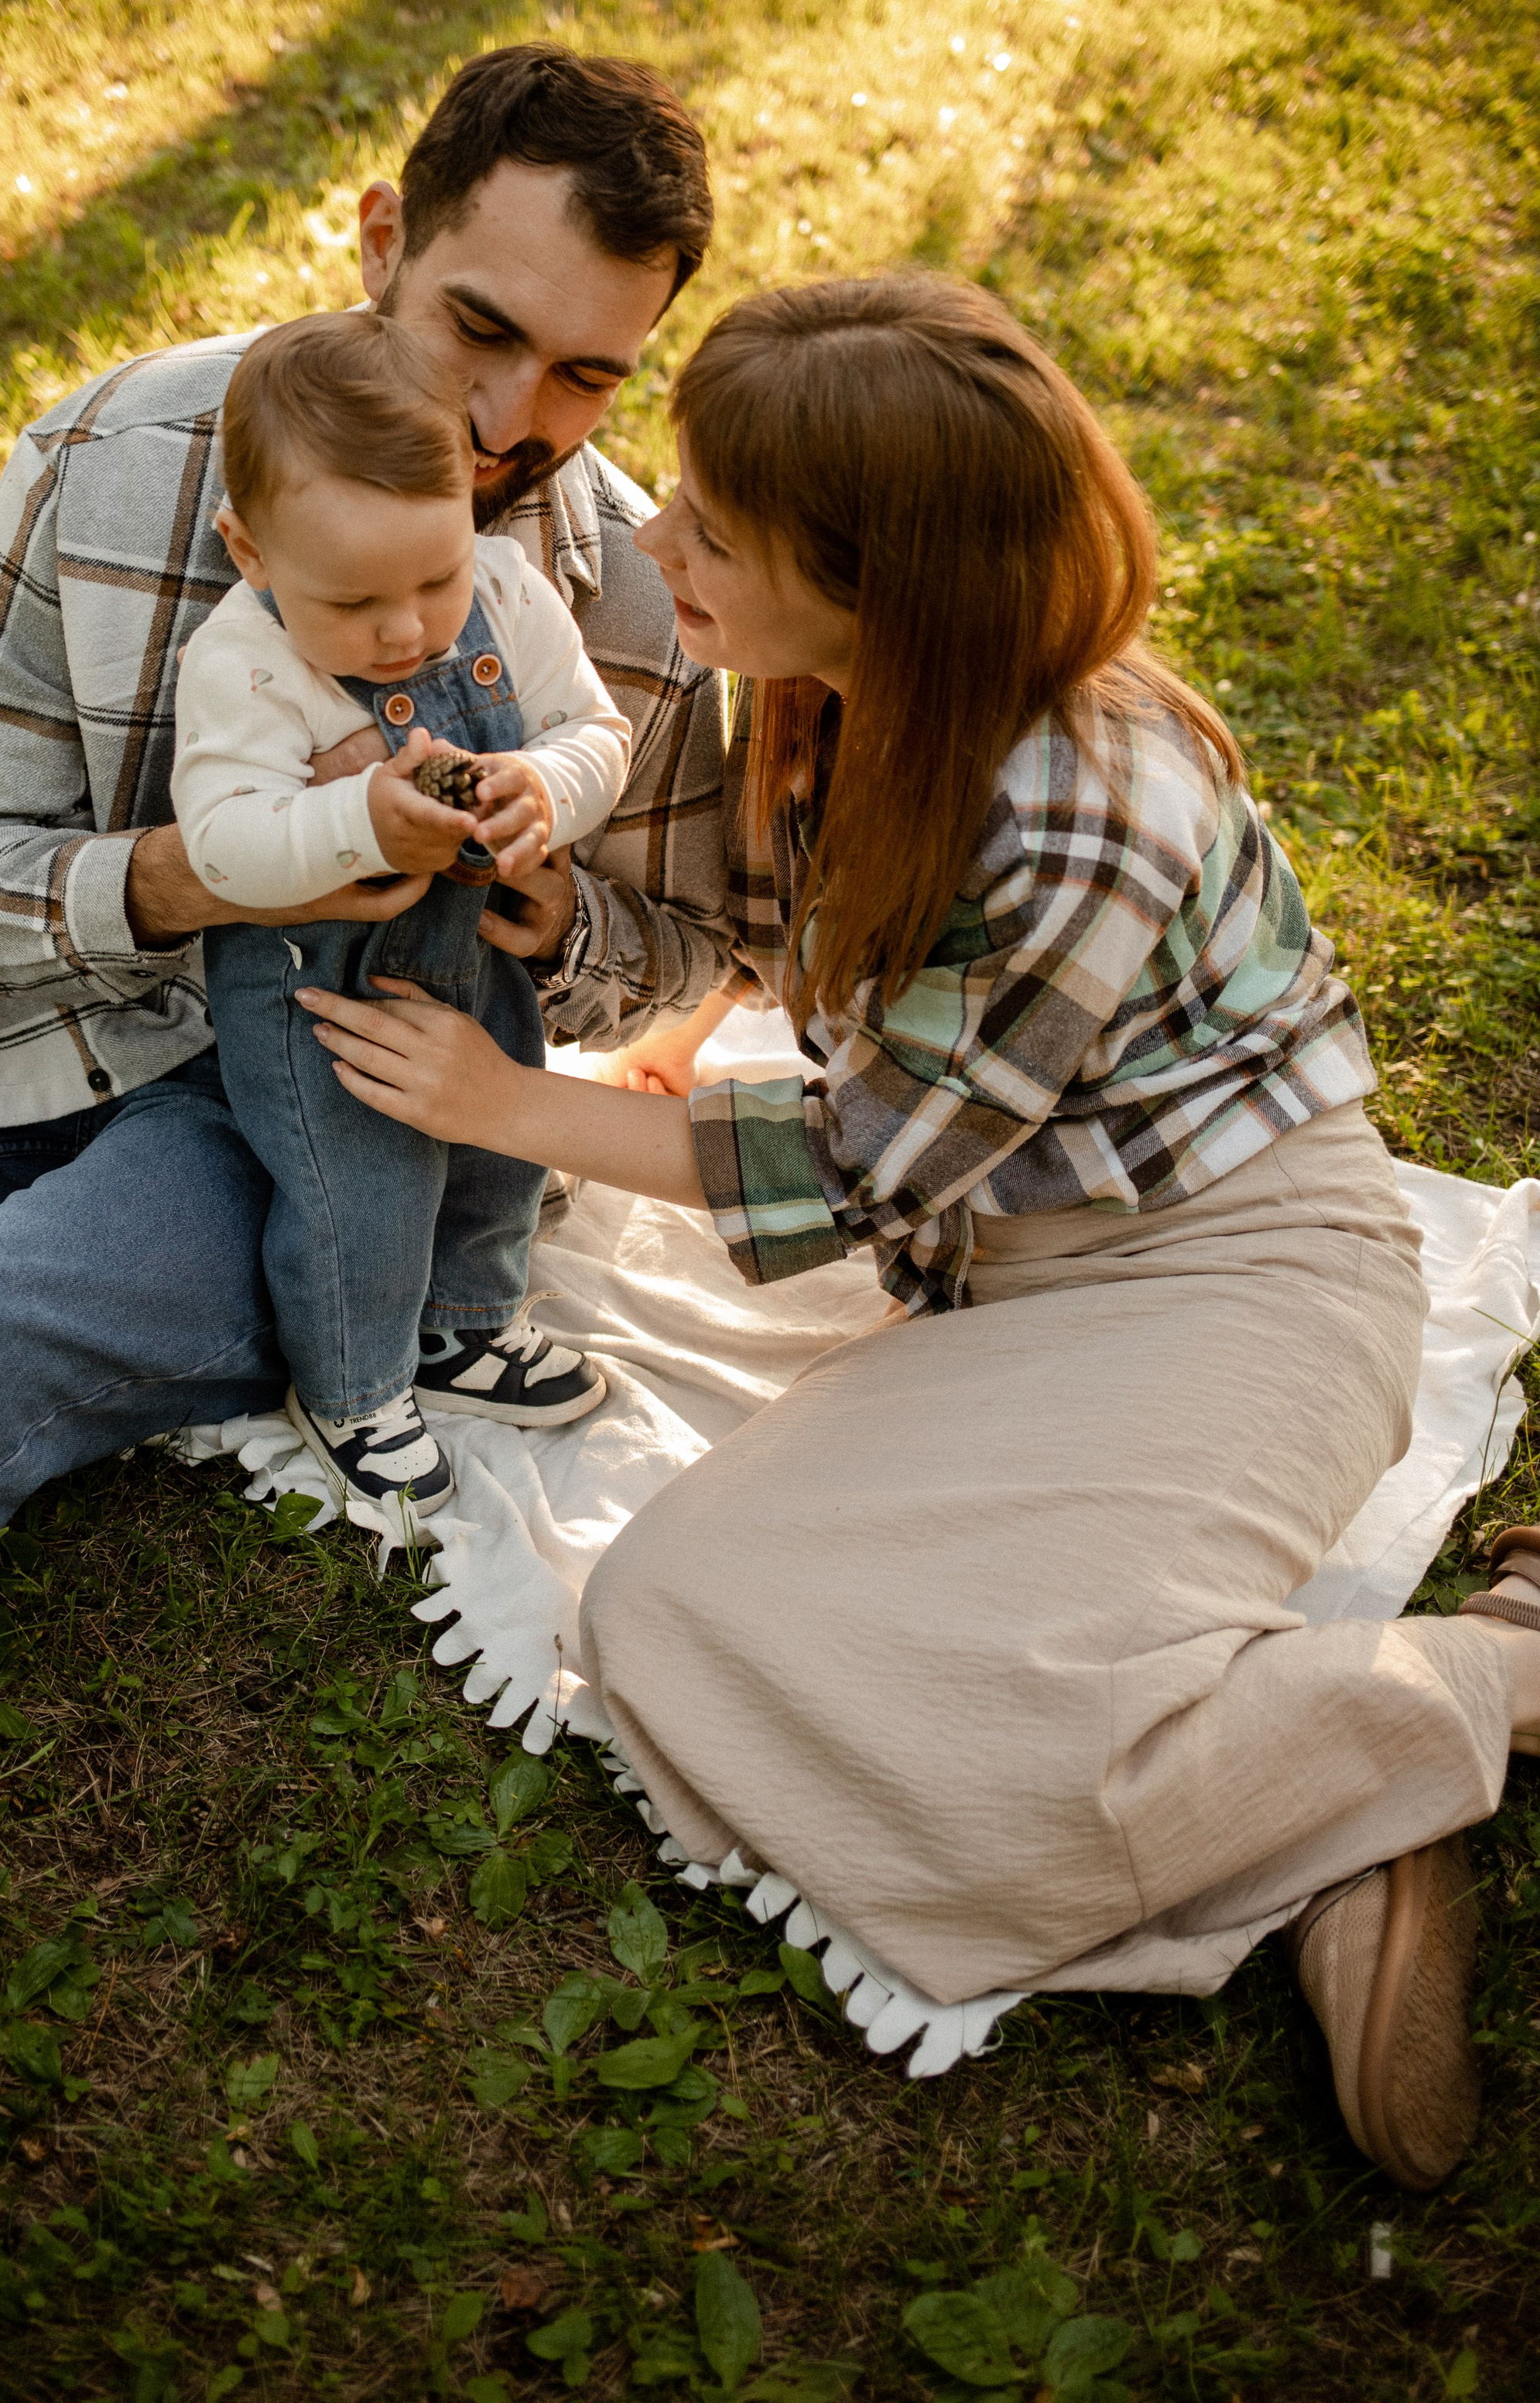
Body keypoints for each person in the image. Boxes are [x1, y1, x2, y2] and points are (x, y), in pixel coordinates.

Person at [293, 271, 1540, 2193]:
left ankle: (1475, 1682)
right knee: (669, 1624)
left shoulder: (1081, 812)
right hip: (1003, 1280)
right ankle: (1328, 1828)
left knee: (959, 1751)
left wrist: (508, 1107)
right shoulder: (821, 696)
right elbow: (699, 907)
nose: (651, 532)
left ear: (880, 582)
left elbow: (857, 1167)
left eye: (712, 524)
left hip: (1241, 1283)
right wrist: (538, 885)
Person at [0, 44, 727, 1943]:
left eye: (590, 373)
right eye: (481, 331)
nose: (519, 419)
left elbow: (677, 947)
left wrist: (543, 932)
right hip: (16, 1018)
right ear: (377, 242)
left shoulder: (623, 597)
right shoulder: (112, 455)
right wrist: (183, 876)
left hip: (316, 1130)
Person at [176, 310, 631, 1515]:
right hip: (323, 995)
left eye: (437, 577)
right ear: (252, 551)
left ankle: (466, 1326)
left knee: (498, 1149)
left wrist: (547, 786)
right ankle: (354, 1381)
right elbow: (222, 842)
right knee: (360, 1186)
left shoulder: (506, 595)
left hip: (477, 964)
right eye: (356, 602)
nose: (408, 629)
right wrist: (357, 826)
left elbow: (598, 733)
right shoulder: (245, 664)